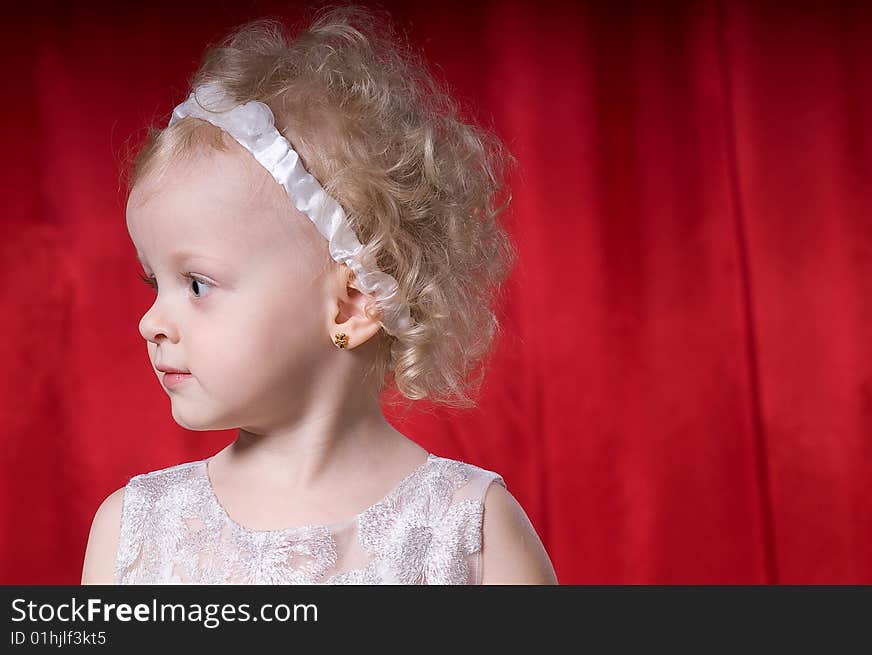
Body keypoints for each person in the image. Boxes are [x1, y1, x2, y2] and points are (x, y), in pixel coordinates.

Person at [81, 3, 557, 585]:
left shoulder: (472, 531)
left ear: (352, 304)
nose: (149, 322)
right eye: (155, 284)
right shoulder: (135, 530)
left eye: (197, 284)